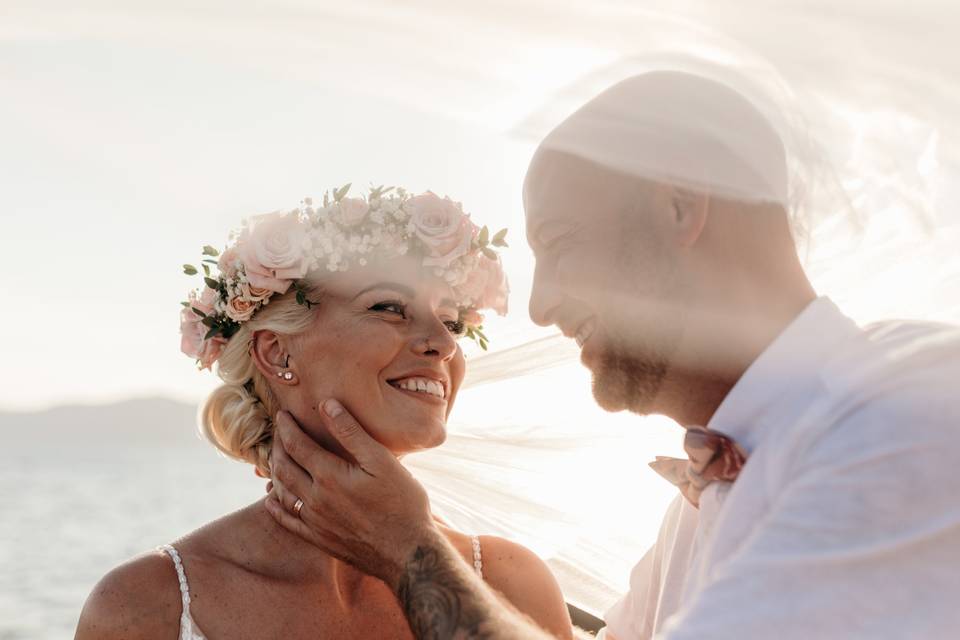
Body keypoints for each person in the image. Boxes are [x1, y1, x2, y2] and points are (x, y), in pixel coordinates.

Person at [266, 72, 960, 639]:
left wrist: (409, 551)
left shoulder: (910, 414)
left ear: (682, 209)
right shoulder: (696, 506)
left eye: (561, 245)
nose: (541, 306)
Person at [75, 187, 573, 639]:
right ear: (276, 353)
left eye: (449, 320)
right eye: (389, 307)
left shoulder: (511, 581)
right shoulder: (145, 604)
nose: (444, 344)